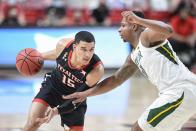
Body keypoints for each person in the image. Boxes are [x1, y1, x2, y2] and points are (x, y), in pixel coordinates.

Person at [62, 11, 196, 131]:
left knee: (137, 129)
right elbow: (115, 79)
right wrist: (85, 94)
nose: (119, 30)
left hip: (180, 91)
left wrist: (139, 20)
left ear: (134, 26)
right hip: (180, 93)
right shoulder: (133, 56)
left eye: (123, 26)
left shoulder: (146, 37)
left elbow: (168, 30)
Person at [22, 31, 104, 131]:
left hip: (74, 97)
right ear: (74, 47)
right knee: (32, 123)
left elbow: (78, 98)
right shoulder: (63, 45)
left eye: (91, 50)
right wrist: (37, 57)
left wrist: (56, 111)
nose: (88, 54)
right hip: (53, 87)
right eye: (83, 49)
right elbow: (57, 54)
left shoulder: (96, 70)